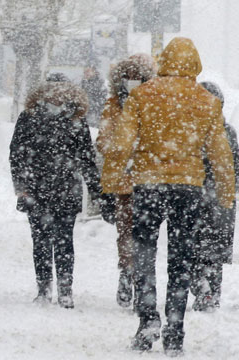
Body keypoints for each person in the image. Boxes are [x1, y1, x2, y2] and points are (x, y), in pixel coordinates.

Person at [106, 37, 235, 355]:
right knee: (180, 261)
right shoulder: (207, 101)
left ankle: (148, 318)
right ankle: (175, 329)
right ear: (194, 65)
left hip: (148, 186)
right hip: (188, 190)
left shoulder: (141, 96)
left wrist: (111, 180)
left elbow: (122, 144)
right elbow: (220, 153)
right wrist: (226, 193)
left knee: (144, 256)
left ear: (164, 62)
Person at [9, 79, 115, 309]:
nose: (56, 97)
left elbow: (86, 159)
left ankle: (59, 290)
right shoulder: (63, 118)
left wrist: (98, 191)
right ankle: (48, 288)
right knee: (46, 241)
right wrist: (21, 186)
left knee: (58, 241)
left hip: (55, 190)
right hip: (50, 189)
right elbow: (17, 154)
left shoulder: (60, 118)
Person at [96, 54, 157, 310]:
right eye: (128, 79)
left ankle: (139, 277)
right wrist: (118, 147)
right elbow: (103, 139)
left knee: (143, 235)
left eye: (137, 78)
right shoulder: (113, 105)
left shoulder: (154, 103)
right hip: (125, 181)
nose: (133, 84)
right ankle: (127, 272)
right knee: (126, 232)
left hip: (146, 180)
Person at [188, 81, 239, 312]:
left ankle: (200, 285)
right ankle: (211, 292)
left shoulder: (189, 130)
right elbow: (236, 167)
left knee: (190, 249)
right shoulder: (227, 130)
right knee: (214, 253)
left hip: (195, 197)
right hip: (220, 201)